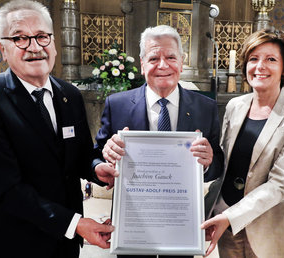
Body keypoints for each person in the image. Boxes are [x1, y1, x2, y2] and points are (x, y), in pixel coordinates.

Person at [0, 1, 114, 257]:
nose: (35, 47)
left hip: (65, 243)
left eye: (42, 36)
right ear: (3, 48)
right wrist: (75, 223)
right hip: (17, 242)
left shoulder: (70, 94)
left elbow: (80, 155)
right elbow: (8, 189)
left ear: (53, 42)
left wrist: (97, 169)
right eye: (20, 38)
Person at [93, 25, 224, 257]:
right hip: (133, 224)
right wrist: (105, 160)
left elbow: (218, 167)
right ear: (143, 64)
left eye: (171, 57)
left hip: (181, 224)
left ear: (181, 62)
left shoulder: (205, 107)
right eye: (154, 58)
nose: (163, 65)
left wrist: (208, 161)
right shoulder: (118, 104)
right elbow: (96, 156)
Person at [202, 28, 284, 258]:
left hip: (272, 225)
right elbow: (225, 165)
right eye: (253, 59)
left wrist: (231, 217)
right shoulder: (235, 106)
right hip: (227, 223)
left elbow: (282, 183)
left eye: (271, 59)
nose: (260, 66)